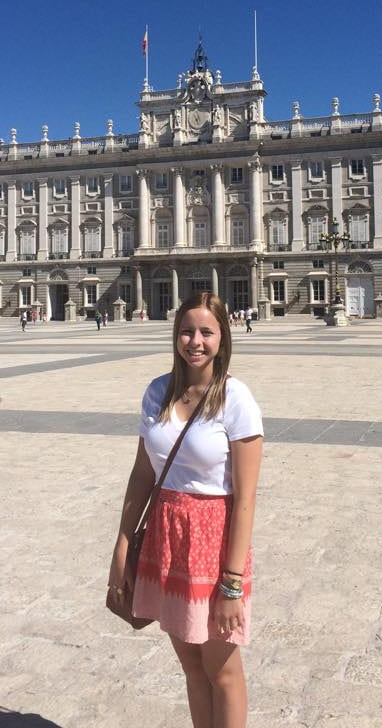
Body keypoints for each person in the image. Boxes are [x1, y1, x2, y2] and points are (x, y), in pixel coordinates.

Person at [108, 293, 264, 728]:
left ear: (222, 338)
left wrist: (232, 583)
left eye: (206, 332)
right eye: (186, 331)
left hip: (215, 545)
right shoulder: (158, 391)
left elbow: (246, 498)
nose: (195, 341)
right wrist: (122, 545)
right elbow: (143, 473)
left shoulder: (236, 398)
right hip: (167, 537)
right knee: (193, 667)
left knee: (223, 671)